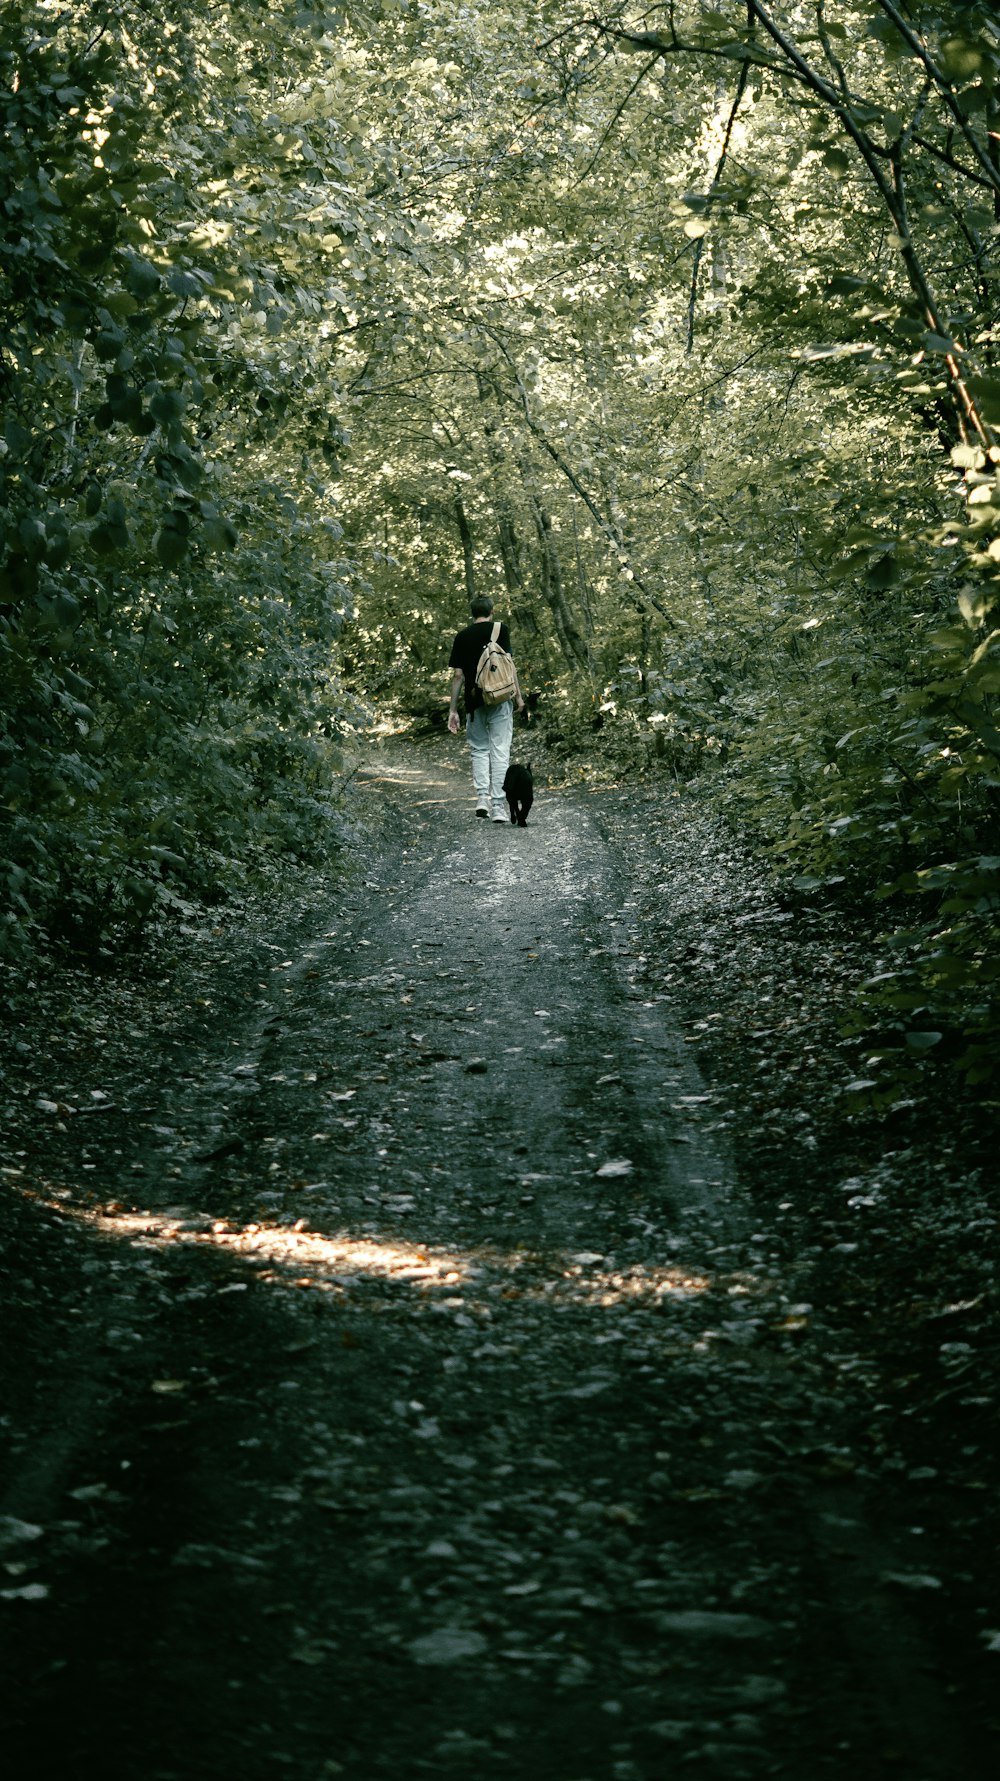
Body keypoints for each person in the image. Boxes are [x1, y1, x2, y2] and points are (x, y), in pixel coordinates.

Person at [447, 594, 526, 821]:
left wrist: (453, 709)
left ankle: (482, 798)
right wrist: (518, 699)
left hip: (474, 702)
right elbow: (510, 669)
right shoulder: (501, 629)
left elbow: (458, 675)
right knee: (500, 752)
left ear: (472, 613)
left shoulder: (462, 636)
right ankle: (499, 807)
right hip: (500, 699)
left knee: (479, 750)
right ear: (492, 611)